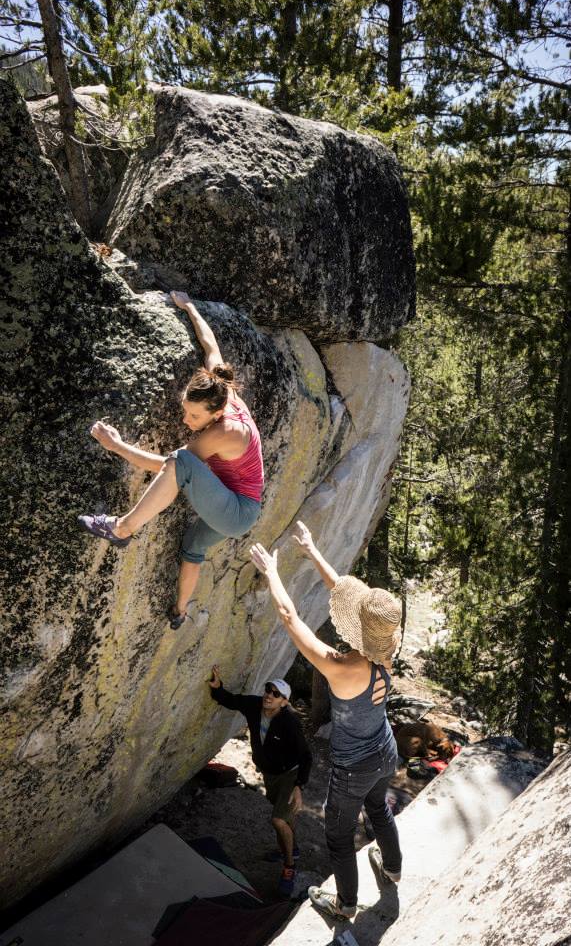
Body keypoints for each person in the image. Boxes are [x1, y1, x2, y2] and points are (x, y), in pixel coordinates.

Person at [78, 291, 264, 629]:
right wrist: (190, 307)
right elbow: (211, 348)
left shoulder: (226, 431)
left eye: (193, 416)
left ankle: (122, 528)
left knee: (181, 460)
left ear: (216, 412)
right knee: (192, 547)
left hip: (237, 510)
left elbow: (172, 467)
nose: (186, 421)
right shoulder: (223, 390)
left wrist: (117, 445)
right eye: (186, 411)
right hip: (242, 509)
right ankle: (180, 612)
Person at [250, 521, 402, 921]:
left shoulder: (341, 668)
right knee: (379, 809)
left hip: (354, 767)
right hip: (386, 750)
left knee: (338, 836)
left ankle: (345, 904)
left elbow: (289, 616)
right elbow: (351, 599)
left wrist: (272, 573)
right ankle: (393, 869)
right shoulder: (388, 649)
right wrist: (312, 549)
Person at [208, 665, 312, 898]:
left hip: (289, 774)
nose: (269, 695)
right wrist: (217, 688)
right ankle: (291, 849)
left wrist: (299, 786)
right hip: (270, 774)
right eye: (268, 690)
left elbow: (306, 755)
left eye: (276, 694)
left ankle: (289, 868)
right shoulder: (255, 706)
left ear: (284, 702)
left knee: (278, 819)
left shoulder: (289, 722)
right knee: (285, 816)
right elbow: (231, 700)